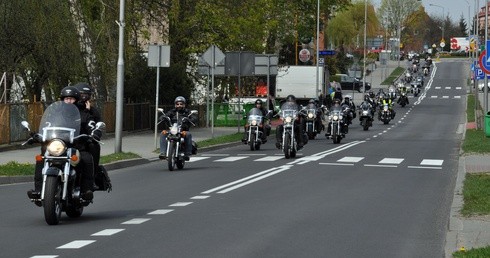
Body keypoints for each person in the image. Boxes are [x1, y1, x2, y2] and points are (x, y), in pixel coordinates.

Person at [27, 86, 96, 202]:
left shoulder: (84, 114)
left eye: (71, 99)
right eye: (66, 99)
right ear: (62, 99)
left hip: (76, 145)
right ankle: (38, 190)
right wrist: (37, 135)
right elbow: (47, 126)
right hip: (58, 145)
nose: (69, 101)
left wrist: (94, 133)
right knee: (41, 159)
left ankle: (86, 191)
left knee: (87, 158)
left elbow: (91, 125)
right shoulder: (56, 114)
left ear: (77, 100)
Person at [159, 96, 197, 161]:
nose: (179, 105)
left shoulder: (187, 112)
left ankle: (187, 153)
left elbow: (194, 117)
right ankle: (163, 153)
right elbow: (166, 115)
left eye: (181, 104)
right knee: (163, 133)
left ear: (184, 104)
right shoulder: (172, 112)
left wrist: (189, 119)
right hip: (173, 129)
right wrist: (163, 117)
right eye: (177, 104)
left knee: (188, 134)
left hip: (183, 130)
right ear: (175, 105)